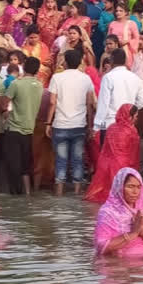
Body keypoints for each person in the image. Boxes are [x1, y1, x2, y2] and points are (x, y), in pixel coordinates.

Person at [46, 49, 95, 196]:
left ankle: (59, 193)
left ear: (65, 62)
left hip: (60, 125)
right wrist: (90, 125)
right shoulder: (86, 79)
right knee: (77, 160)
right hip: (79, 125)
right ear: (81, 62)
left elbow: (52, 102)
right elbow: (90, 104)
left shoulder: (56, 78)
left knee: (61, 160)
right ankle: (77, 192)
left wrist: (48, 123)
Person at [93, 167, 143, 257]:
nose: (135, 192)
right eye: (130, 186)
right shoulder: (107, 212)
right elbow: (101, 247)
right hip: (119, 265)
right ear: (119, 187)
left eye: (139, 187)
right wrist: (133, 233)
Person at [0, 57, 43, 195]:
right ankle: (27, 194)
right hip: (30, 129)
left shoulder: (16, 84)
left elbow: (3, 104)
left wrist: (6, 112)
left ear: (23, 68)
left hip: (14, 129)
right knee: (25, 166)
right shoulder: (40, 85)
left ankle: (15, 195)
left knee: (13, 166)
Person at [86, 104, 141, 203]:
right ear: (130, 116)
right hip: (122, 167)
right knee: (120, 200)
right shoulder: (132, 131)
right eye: (136, 116)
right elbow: (134, 154)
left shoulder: (111, 127)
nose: (137, 119)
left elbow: (104, 149)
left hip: (105, 166)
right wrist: (135, 171)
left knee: (101, 199)